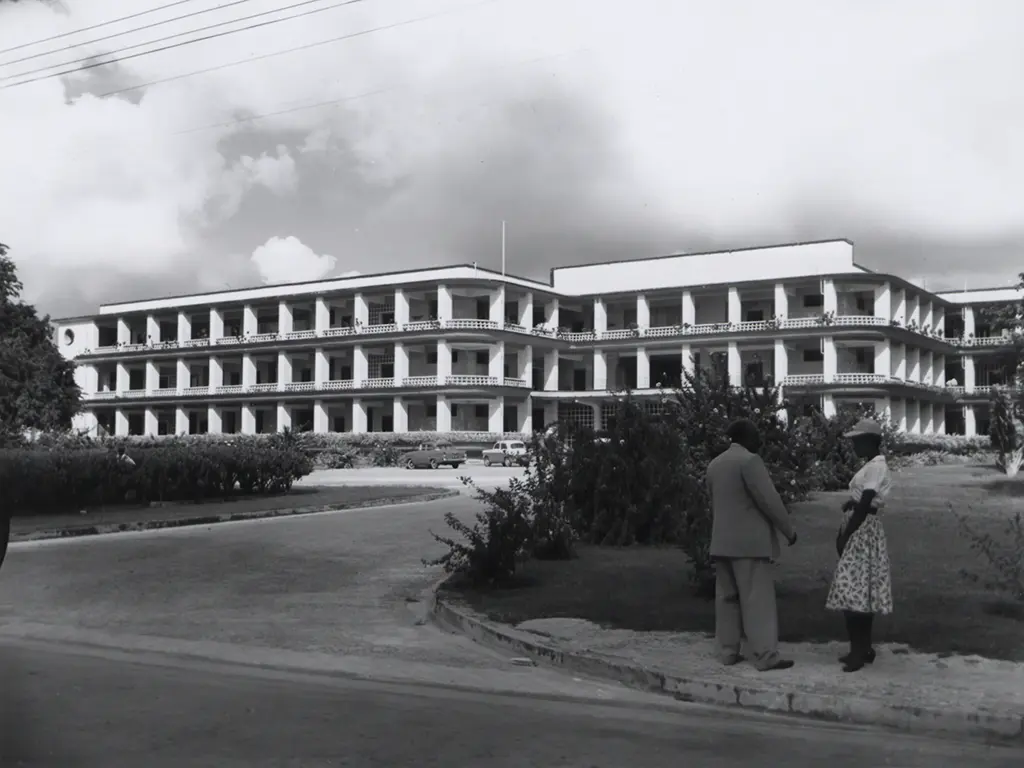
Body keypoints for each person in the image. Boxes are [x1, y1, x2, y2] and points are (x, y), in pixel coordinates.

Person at [706, 418, 798, 672]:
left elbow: (713, 502)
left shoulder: (715, 465)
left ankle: (727, 651)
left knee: (727, 599)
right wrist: (788, 531)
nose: (760, 441)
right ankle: (765, 655)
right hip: (749, 544)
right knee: (756, 601)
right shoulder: (749, 462)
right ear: (746, 437)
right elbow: (769, 500)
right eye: (756, 436)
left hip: (721, 541)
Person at [826, 417, 893, 672]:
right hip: (864, 526)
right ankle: (863, 648)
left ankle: (858, 650)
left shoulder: (876, 466)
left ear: (870, 441)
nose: (854, 446)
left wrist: (847, 533)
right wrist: (851, 503)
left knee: (852, 592)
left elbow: (867, 501)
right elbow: (864, 499)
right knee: (859, 591)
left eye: (857, 441)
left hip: (863, 529)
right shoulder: (873, 465)